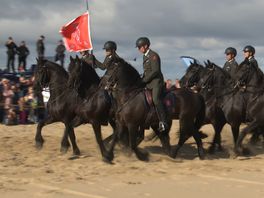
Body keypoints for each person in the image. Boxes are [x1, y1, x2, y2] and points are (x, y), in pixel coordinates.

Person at [136, 37, 168, 132]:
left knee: (156, 99)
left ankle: (163, 121)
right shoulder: (145, 56)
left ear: (145, 46)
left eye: (139, 47)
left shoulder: (153, 55)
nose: (138, 49)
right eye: (138, 47)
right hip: (148, 82)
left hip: (156, 82)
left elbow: (155, 71)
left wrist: (144, 80)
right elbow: (147, 71)